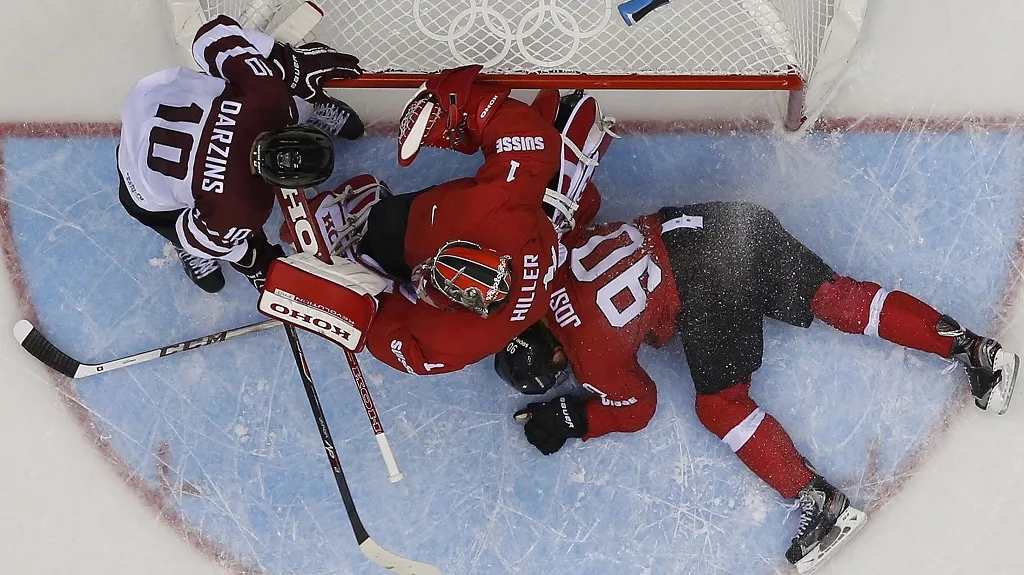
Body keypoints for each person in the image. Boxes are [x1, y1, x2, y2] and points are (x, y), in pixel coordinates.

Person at [493, 201, 1019, 573]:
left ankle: (825, 506)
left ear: (557, 357)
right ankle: (978, 352)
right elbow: (580, 202)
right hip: (726, 225)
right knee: (836, 297)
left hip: (708, 286)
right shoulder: (547, 262)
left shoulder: (589, 360)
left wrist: (573, 419)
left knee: (719, 408)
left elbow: (638, 408)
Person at [290, 69, 613, 376]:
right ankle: (368, 227)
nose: (424, 278)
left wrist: (361, 310)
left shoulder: (458, 337)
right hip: (466, 223)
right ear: (467, 246)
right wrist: (459, 110)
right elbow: (532, 144)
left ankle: (366, 252)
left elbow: (404, 349)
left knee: (390, 282)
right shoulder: (494, 212)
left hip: (485, 234)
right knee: (390, 228)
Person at [116, 14, 364, 293]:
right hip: (138, 183)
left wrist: (289, 64)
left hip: (148, 100)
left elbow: (209, 36)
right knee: (195, 235)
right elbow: (201, 239)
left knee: (282, 91)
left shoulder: (265, 94)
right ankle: (183, 245)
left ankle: (310, 105)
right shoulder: (243, 208)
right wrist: (254, 261)